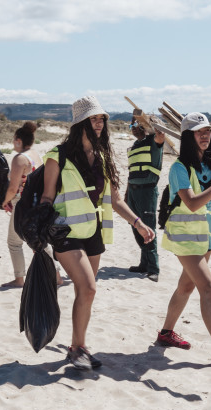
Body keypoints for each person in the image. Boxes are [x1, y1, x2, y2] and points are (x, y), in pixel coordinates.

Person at [41, 96, 154, 370]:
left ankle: (77, 347)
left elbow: (115, 200)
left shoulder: (102, 157)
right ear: (80, 122)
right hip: (65, 231)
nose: (100, 123)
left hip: (93, 231)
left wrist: (138, 222)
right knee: (89, 287)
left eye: (102, 118)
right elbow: (46, 199)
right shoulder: (58, 156)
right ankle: (78, 348)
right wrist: (40, 241)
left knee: (86, 292)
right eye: (94, 118)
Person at [157, 112, 211, 367]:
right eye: (199, 132)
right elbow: (192, 203)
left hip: (205, 237)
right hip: (184, 238)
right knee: (208, 287)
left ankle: (165, 333)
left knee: (186, 286)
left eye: (207, 131)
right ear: (187, 137)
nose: (205, 136)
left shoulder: (210, 166)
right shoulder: (178, 168)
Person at [0, 122, 63, 288]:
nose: (13, 143)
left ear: (19, 141)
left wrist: (5, 201)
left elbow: (13, 188)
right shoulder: (35, 155)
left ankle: (19, 278)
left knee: (14, 242)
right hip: (36, 201)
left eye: (14, 140)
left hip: (22, 203)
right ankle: (56, 274)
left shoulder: (19, 159)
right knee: (40, 241)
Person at [125, 117, 164, 281]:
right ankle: (144, 263)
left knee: (148, 227)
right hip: (133, 191)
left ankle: (153, 267)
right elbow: (132, 172)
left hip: (147, 191)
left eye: (136, 124)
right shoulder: (134, 145)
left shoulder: (153, 141)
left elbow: (161, 135)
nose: (133, 128)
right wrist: (127, 195)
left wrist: (148, 121)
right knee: (136, 227)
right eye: (131, 125)